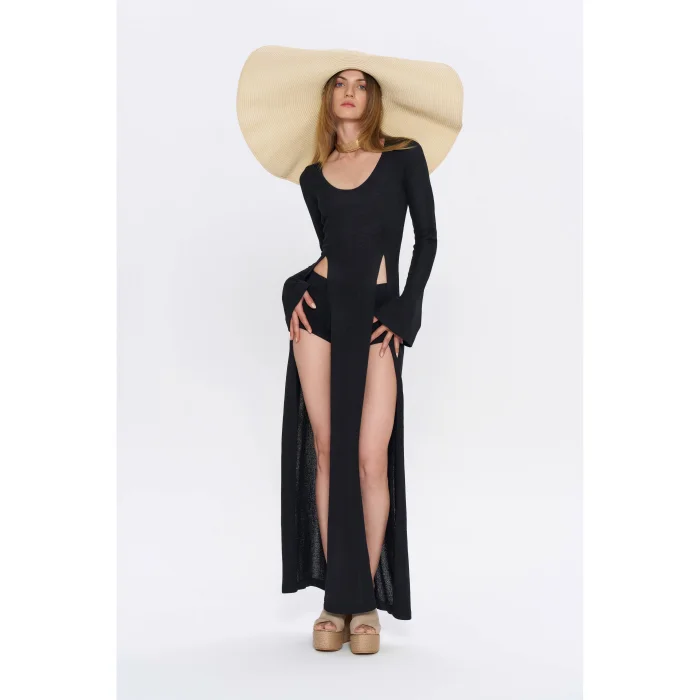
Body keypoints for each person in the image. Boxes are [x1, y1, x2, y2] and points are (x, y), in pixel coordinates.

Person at [237, 45, 463, 654]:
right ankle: (336, 602)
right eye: (340, 82)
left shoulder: (404, 157)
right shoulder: (314, 177)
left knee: (369, 458)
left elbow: (426, 239)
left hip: (377, 317)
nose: (350, 91)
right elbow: (329, 250)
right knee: (329, 450)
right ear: (328, 97)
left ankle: (364, 601)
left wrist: (408, 308)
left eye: (361, 84)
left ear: (373, 97)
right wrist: (293, 289)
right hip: (320, 314)